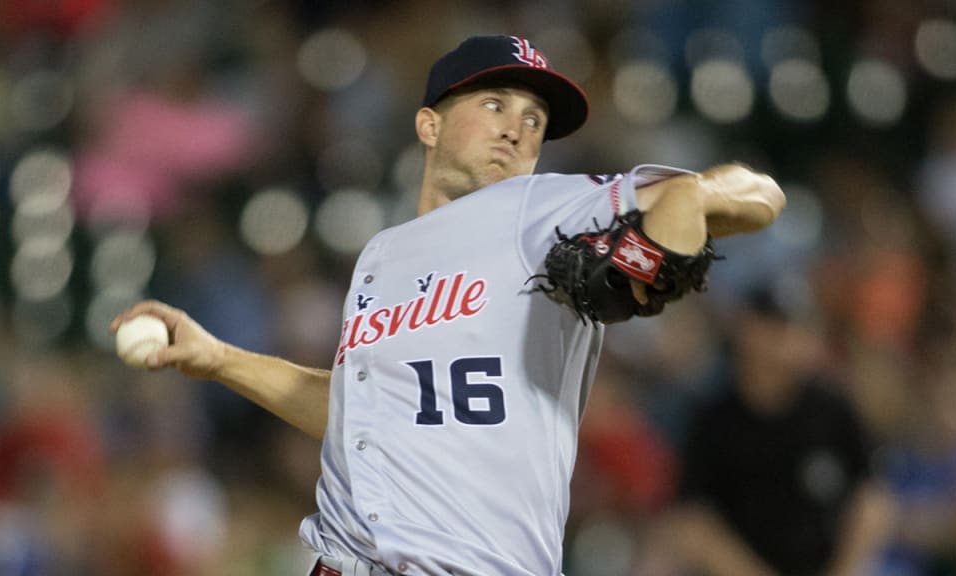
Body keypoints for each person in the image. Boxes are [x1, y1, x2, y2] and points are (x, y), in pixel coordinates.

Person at [113, 35, 785, 575]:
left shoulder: (543, 208)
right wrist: (219, 359)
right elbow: (363, 414)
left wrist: (678, 216)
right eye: (495, 104)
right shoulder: (380, 256)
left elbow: (756, 195)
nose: (518, 129)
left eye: (534, 119)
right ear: (429, 124)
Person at [655, 286, 895, 576]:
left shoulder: (832, 409)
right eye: (774, 327)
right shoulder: (713, 419)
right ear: (745, 329)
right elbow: (691, 520)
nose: (786, 341)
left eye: (796, 328)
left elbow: (873, 500)